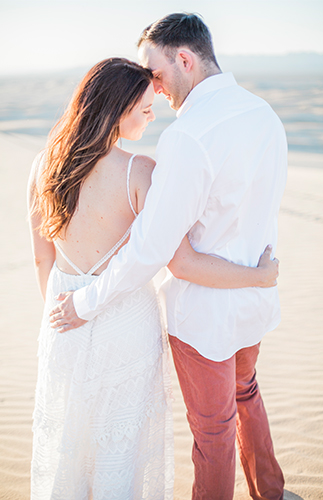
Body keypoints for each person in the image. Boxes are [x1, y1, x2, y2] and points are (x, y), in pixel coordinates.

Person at [46, 13, 287, 497]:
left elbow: (152, 251)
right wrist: (261, 279)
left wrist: (87, 303)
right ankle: (271, 491)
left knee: (214, 432)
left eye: (154, 73)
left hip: (202, 317)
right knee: (247, 392)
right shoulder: (264, 113)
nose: (153, 89)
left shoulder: (187, 136)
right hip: (254, 305)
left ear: (184, 59)